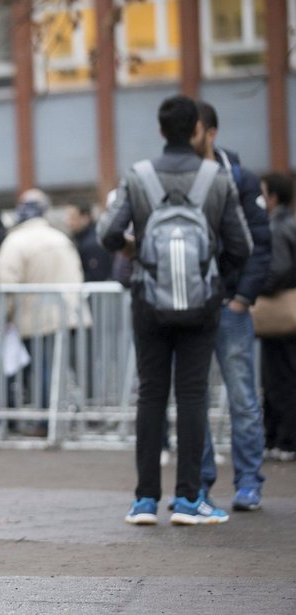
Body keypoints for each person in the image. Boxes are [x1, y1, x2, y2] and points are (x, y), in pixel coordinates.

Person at [98, 95, 251, 526]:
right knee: (192, 394)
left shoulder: (139, 176)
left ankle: (145, 499)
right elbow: (243, 246)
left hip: (149, 298)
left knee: (150, 394)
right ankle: (189, 499)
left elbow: (108, 232)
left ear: (162, 131)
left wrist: (135, 247)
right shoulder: (217, 178)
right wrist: (212, 271)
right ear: (198, 131)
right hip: (202, 304)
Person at [193, 101, 272, 511]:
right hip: (192, 307)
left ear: (210, 133)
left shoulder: (239, 178)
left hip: (228, 305)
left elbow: (260, 244)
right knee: (194, 400)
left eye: (193, 132)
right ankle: (201, 484)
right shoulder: (182, 175)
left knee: (242, 396)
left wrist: (243, 298)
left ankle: (247, 482)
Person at [0, 189, 86, 436]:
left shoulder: (15, 241)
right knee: (61, 370)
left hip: (37, 318)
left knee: (44, 371)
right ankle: (63, 419)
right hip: (69, 315)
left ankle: (47, 422)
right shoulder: (60, 237)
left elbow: (7, 284)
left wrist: (4, 316)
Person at [259, 171, 296, 462]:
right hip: (288, 315)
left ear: (272, 196)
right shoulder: (290, 223)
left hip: (280, 317)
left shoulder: (276, 227)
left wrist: (257, 285)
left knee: (278, 379)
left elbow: (279, 269)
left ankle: (283, 439)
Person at [65, 201, 114, 282]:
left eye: (72, 218)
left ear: (85, 218)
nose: (68, 222)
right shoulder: (80, 238)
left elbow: (96, 277)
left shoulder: (92, 244)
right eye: (67, 217)